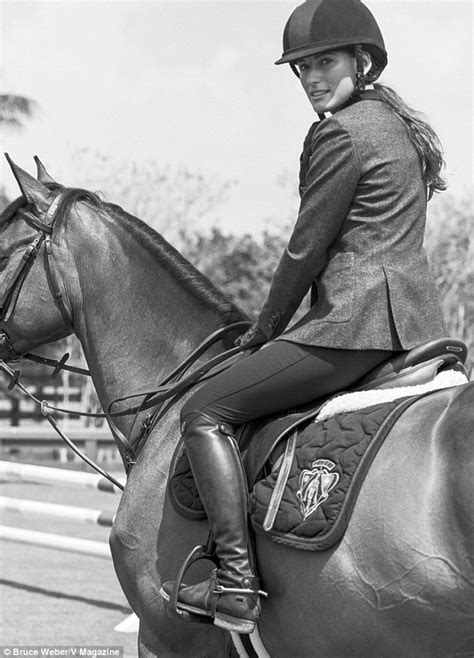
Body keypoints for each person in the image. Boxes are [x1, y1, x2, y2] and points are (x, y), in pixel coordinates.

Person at [160, 0, 446, 634]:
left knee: (203, 410)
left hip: (354, 325)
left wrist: (265, 331)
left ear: (361, 61)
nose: (313, 78)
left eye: (325, 63)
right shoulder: (394, 125)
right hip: (415, 326)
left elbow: (305, 247)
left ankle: (234, 581)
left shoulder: (340, 132)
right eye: (303, 68)